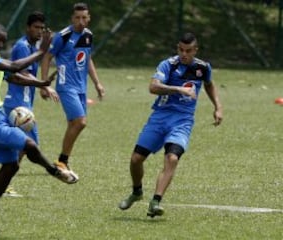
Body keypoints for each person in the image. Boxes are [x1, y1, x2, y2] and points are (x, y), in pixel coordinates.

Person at [0, 23, 77, 235]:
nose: (0, 44)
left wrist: (40, 84)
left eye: (3, 41)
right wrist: (42, 52)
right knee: (29, 144)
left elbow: (13, 76)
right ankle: (54, 170)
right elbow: (14, 67)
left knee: (12, 164)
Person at [118, 32, 223, 218]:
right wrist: (177, 88)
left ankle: (155, 202)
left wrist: (218, 107)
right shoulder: (168, 65)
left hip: (183, 120)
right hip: (160, 117)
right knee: (136, 159)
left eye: (188, 51)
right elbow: (153, 87)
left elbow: (209, 84)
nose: (184, 54)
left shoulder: (203, 67)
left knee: (172, 158)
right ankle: (137, 192)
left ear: (195, 50)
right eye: (181, 50)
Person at [0, 12, 59, 190]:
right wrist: (44, 86)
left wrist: (41, 86)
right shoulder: (22, 46)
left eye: (41, 28)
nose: (39, 31)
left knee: (24, 145)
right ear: (28, 28)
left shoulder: (31, 46)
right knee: (26, 145)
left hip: (25, 101)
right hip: (16, 102)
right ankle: (6, 182)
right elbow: (22, 72)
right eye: (36, 27)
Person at [40, 2, 105, 175]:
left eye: (84, 17)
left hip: (81, 87)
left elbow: (88, 58)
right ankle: (62, 160)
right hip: (66, 86)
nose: (81, 21)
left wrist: (97, 83)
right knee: (81, 122)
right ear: (72, 18)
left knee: (73, 124)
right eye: (77, 18)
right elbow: (47, 57)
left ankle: (62, 162)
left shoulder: (88, 35)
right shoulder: (63, 35)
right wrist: (44, 84)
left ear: (89, 18)